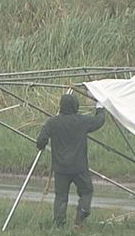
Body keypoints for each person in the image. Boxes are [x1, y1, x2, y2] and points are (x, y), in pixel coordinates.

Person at [36, 93, 106, 228]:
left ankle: (59, 225)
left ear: (61, 106)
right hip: (79, 167)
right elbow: (99, 121)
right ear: (76, 106)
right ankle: (81, 214)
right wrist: (100, 106)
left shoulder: (53, 122)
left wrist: (41, 145)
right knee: (86, 191)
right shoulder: (82, 121)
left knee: (61, 196)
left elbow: (41, 140)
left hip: (61, 168)